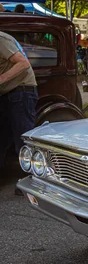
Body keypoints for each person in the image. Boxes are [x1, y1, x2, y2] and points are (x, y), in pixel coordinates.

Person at [0, 31, 38, 172]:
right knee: (4, 137)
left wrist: (1, 79)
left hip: (20, 90)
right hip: (9, 92)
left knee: (23, 137)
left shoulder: (1, 39)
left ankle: (31, 177)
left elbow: (23, 63)